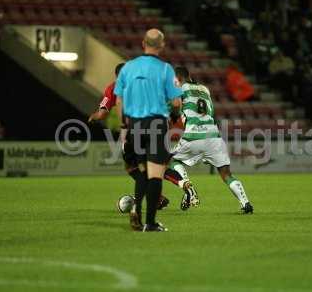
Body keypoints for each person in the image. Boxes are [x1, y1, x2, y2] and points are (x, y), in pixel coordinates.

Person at [115, 29, 183, 232]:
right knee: (155, 175)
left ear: (143, 42)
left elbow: (119, 100)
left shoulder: (128, 68)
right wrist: (173, 116)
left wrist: (124, 125)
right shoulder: (165, 69)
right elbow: (177, 101)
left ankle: (136, 209)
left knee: (142, 172)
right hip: (156, 124)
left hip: (135, 125)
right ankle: (151, 222)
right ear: (161, 46)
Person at [169, 66, 253, 214]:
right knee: (226, 174)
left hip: (192, 136)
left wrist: (174, 115)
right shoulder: (204, 89)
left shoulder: (179, 87)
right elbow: (211, 112)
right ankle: (245, 202)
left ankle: (189, 189)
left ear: (178, 78)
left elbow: (175, 105)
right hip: (213, 136)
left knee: (172, 161)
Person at [88, 63, 171, 210]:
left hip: (131, 130)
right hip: (152, 127)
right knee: (153, 165)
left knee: (132, 167)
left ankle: (151, 201)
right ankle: (166, 192)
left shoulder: (113, 88)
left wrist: (94, 116)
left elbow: (102, 113)